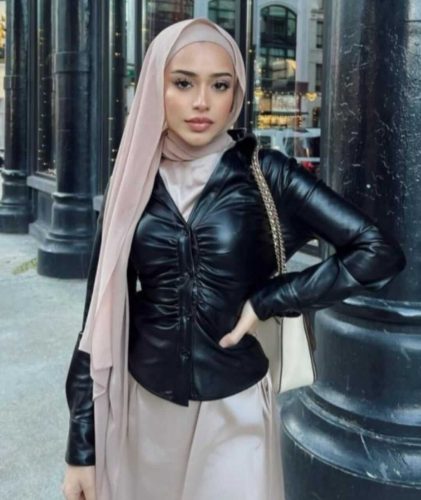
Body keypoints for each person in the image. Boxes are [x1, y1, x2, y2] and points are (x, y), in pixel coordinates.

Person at [61, 18, 406, 500]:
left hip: (235, 410)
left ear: (236, 94)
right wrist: (81, 449)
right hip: (146, 407)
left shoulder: (267, 173)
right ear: (156, 87)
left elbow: (377, 251)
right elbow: (95, 318)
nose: (202, 102)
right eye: (183, 83)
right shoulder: (131, 181)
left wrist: (272, 298)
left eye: (220, 85)